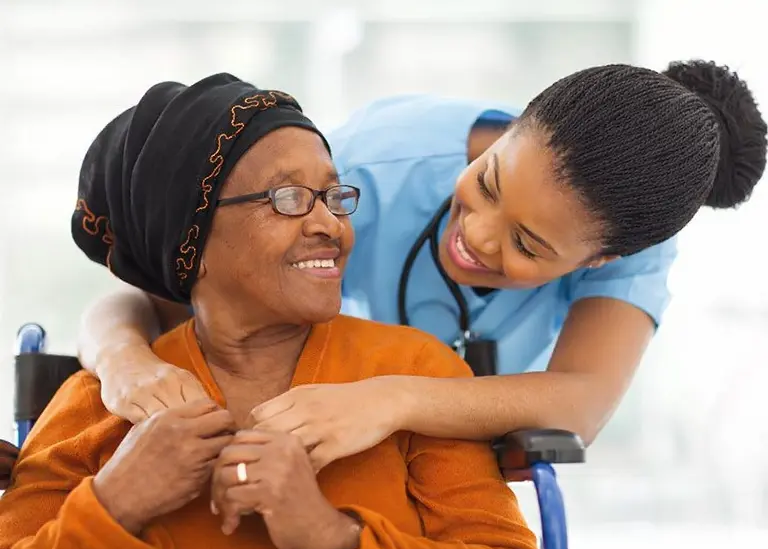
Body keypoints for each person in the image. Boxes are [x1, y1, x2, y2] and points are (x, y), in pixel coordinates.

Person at [78, 60, 767, 471]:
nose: (477, 237)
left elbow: (580, 401)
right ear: (513, 126)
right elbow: (148, 290)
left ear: (604, 259)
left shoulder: (632, 248)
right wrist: (123, 361)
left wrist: (392, 396)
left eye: (528, 246)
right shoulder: (370, 167)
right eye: (486, 183)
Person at [0, 74, 542, 549]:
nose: (330, 224)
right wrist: (116, 506)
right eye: (287, 200)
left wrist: (333, 538)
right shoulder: (98, 403)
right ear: (190, 244)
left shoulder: (415, 371)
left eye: (333, 196)